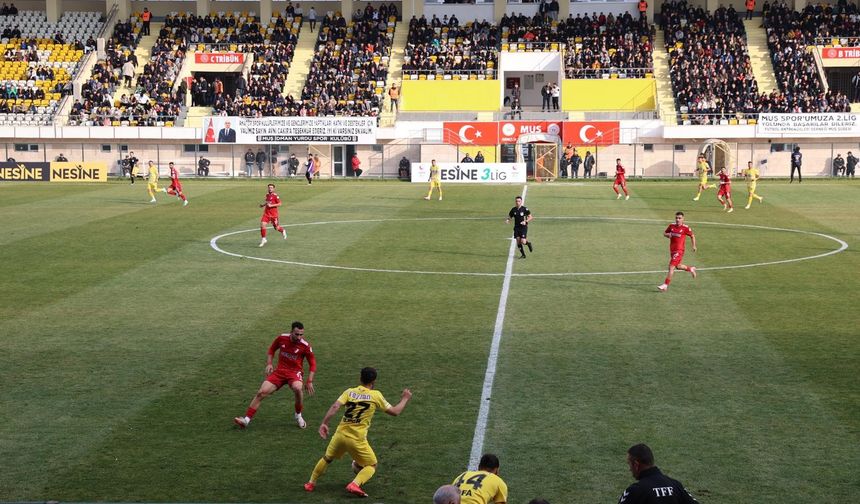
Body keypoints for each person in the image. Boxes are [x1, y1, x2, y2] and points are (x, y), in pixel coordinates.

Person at [304, 367, 412, 498]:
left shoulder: (349, 392)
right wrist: (405, 398)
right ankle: (355, 484)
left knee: (327, 458)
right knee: (372, 465)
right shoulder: (375, 395)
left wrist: (324, 423)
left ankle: (310, 483)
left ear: (360, 378)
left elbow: (335, 406)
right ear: (374, 381)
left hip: (340, 435)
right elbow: (395, 412)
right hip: (357, 439)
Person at [234, 321, 315, 429]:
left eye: (301, 334)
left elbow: (313, 364)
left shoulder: (305, 346)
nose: (299, 337)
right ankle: (246, 420)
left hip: (294, 373)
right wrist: (269, 363)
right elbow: (272, 349)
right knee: (261, 393)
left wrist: (309, 381)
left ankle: (298, 415)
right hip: (280, 372)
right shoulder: (282, 338)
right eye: (297, 334)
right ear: (291, 332)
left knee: (297, 388)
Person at [618, 443, 699, 503]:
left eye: (629, 464)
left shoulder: (635, 491)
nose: (630, 469)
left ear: (636, 465)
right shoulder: (676, 485)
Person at [658, 211, 697, 291]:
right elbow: (664, 233)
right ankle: (690, 269)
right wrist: (667, 235)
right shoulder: (671, 226)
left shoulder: (685, 228)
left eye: (679, 218)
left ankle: (665, 285)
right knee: (678, 266)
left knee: (671, 266)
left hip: (679, 251)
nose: (677, 220)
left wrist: (694, 246)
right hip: (672, 250)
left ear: (683, 219)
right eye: (676, 218)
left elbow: (692, 236)